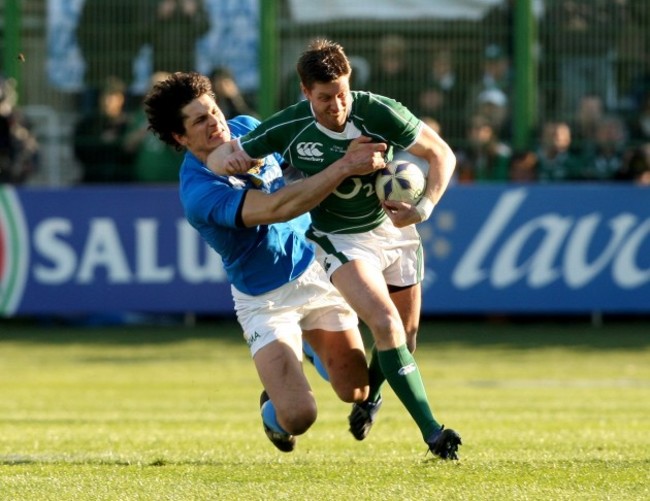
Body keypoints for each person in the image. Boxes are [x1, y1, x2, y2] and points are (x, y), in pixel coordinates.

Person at [207, 39, 462, 460]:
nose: (337, 105)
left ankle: (370, 399)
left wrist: (424, 207)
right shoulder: (289, 127)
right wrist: (229, 166)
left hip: (393, 231)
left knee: (404, 338)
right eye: (325, 98)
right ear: (306, 92)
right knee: (384, 323)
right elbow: (226, 158)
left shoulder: (379, 112)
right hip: (339, 239)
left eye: (342, 93)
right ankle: (433, 433)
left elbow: (441, 154)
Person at [144, 71, 388, 452]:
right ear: (180, 137)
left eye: (213, 110)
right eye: (200, 120)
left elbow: (298, 164)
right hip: (266, 299)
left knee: (357, 389)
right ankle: (273, 411)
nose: (215, 123)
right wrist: (345, 167)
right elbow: (277, 206)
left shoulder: (247, 129)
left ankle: (309, 348)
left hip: (316, 269)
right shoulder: (199, 192)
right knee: (299, 416)